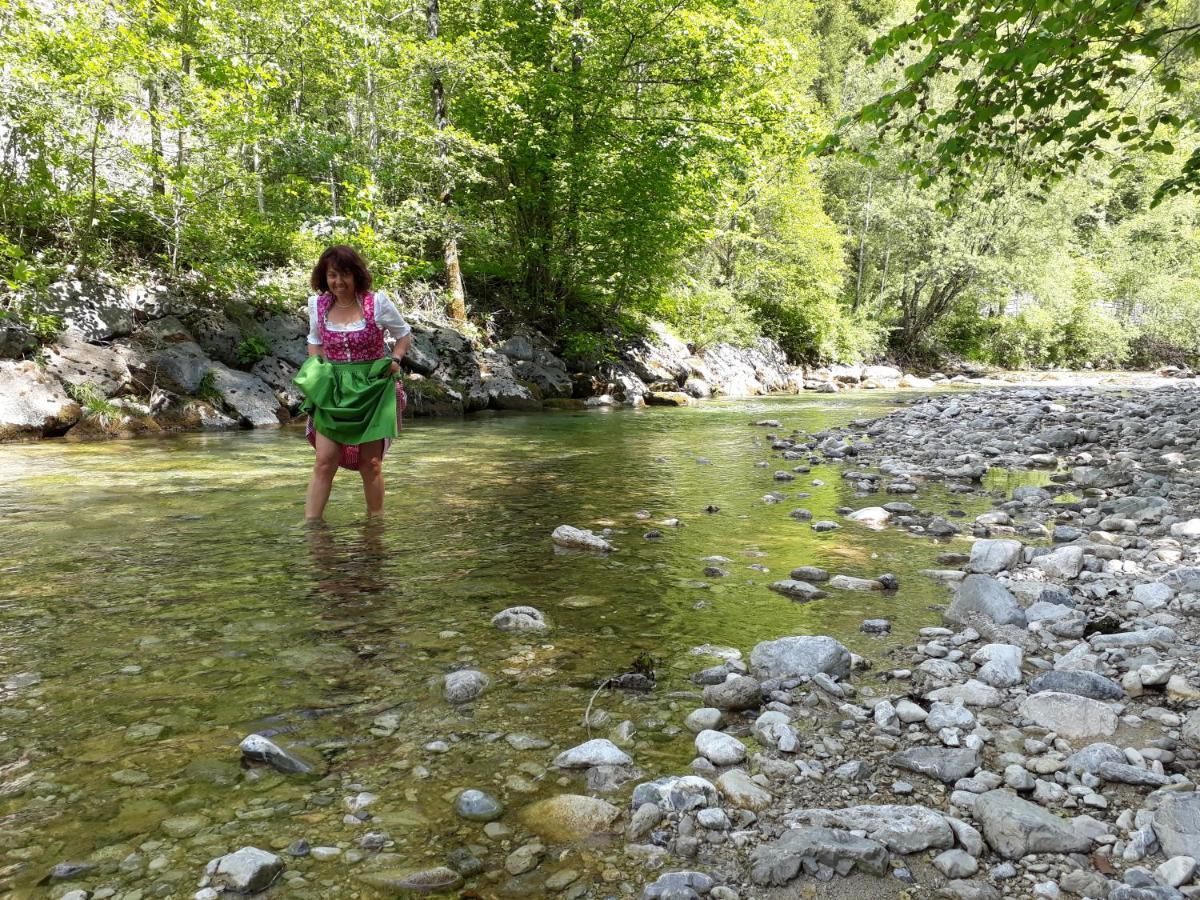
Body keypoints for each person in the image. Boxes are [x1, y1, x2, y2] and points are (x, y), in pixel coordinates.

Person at [294, 245, 412, 521]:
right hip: (333, 389)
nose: (338, 282)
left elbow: (403, 333)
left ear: (357, 275)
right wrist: (317, 370)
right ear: (325, 277)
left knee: (370, 464)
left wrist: (395, 358)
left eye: (344, 274)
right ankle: (312, 528)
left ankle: (375, 524)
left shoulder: (377, 303)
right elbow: (314, 341)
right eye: (332, 275)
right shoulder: (317, 305)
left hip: (372, 387)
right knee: (324, 462)